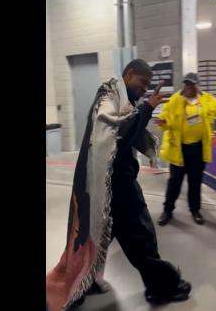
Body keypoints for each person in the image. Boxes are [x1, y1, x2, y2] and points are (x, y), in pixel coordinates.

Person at [46, 59, 191, 311]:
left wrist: (143, 110)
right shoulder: (108, 97)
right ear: (129, 74)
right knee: (141, 237)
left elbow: (127, 129)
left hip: (112, 183)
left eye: (147, 85)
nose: (145, 89)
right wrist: (146, 109)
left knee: (97, 237)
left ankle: (82, 280)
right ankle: (159, 288)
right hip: (113, 186)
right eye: (142, 83)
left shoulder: (122, 100)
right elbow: (118, 136)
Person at [155, 72, 216, 226]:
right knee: (174, 182)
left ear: (198, 85)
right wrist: (163, 122)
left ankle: (195, 210)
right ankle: (167, 211)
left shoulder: (207, 100)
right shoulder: (175, 100)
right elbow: (166, 120)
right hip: (179, 149)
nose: (189, 87)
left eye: (192, 84)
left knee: (195, 182)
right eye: (186, 84)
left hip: (198, 149)